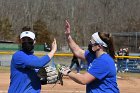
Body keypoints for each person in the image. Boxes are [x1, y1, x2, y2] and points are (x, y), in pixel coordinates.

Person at [60, 20, 120, 93]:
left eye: (92, 42)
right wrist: (68, 36)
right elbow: (77, 50)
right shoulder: (93, 55)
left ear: (99, 46)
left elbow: (84, 79)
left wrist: (68, 72)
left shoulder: (104, 61)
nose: (90, 43)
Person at [8, 28, 57, 93]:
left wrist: (43, 79)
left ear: (34, 41)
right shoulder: (18, 56)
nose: (26, 42)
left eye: (29, 40)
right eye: (24, 40)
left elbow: (36, 74)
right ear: (21, 41)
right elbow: (38, 63)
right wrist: (53, 51)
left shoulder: (34, 58)